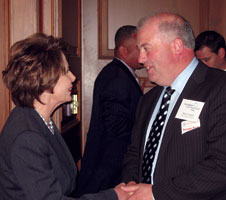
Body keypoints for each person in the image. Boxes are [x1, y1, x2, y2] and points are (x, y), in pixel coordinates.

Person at [0, 33, 130, 200]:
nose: (73, 77)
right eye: (66, 71)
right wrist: (113, 196)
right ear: (44, 79)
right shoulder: (27, 137)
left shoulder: (39, 121)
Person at [120, 12, 226, 199]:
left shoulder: (219, 88)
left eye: (146, 48)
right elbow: (135, 152)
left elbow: (221, 165)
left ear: (176, 46)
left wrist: (156, 193)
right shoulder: (148, 99)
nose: (140, 59)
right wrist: (132, 185)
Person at [75, 25, 143, 196]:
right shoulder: (117, 78)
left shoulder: (119, 74)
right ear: (123, 50)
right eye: (139, 48)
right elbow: (117, 127)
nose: (144, 54)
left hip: (108, 166)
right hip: (109, 168)